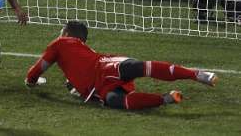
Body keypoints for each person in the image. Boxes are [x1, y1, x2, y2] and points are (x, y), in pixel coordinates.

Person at [25, 21, 218, 110]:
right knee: (139, 72)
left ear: (67, 34)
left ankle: (168, 95)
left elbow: (37, 69)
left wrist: (30, 81)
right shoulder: (82, 51)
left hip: (100, 78)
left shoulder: (59, 44)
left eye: (62, 32)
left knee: (120, 97)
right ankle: (184, 85)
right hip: (103, 77)